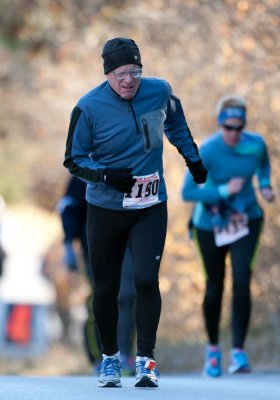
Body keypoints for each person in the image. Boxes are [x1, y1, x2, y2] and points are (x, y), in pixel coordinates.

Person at [63, 37, 207, 388]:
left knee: (145, 279)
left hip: (149, 205)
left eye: (135, 72)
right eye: (121, 73)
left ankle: (146, 360)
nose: (129, 80)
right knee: (107, 288)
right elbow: (73, 159)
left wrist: (193, 158)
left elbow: (175, 124)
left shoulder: (159, 92)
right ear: (108, 74)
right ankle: (110, 359)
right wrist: (106, 175)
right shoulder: (88, 107)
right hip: (105, 207)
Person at [182, 94, 275, 378]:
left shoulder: (255, 144)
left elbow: (264, 167)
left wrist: (266, 186)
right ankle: (212, 350)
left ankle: (238, 352)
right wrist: (224, 191)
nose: (234, 133)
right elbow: (188, 192)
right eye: (228, 128)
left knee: (243, 280)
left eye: (238, 127)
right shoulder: (208, 150)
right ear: (220, 125)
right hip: (209, 224)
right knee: (214, 286)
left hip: (246, 219)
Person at [57, 175, 136, 375]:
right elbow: (69, 208)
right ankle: (100, 357)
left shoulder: (131, 160)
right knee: (103, 295)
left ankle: (125, 355)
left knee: (128, 295)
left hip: (127, 243)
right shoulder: (83, 171)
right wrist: (68, 245)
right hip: (93, 243)